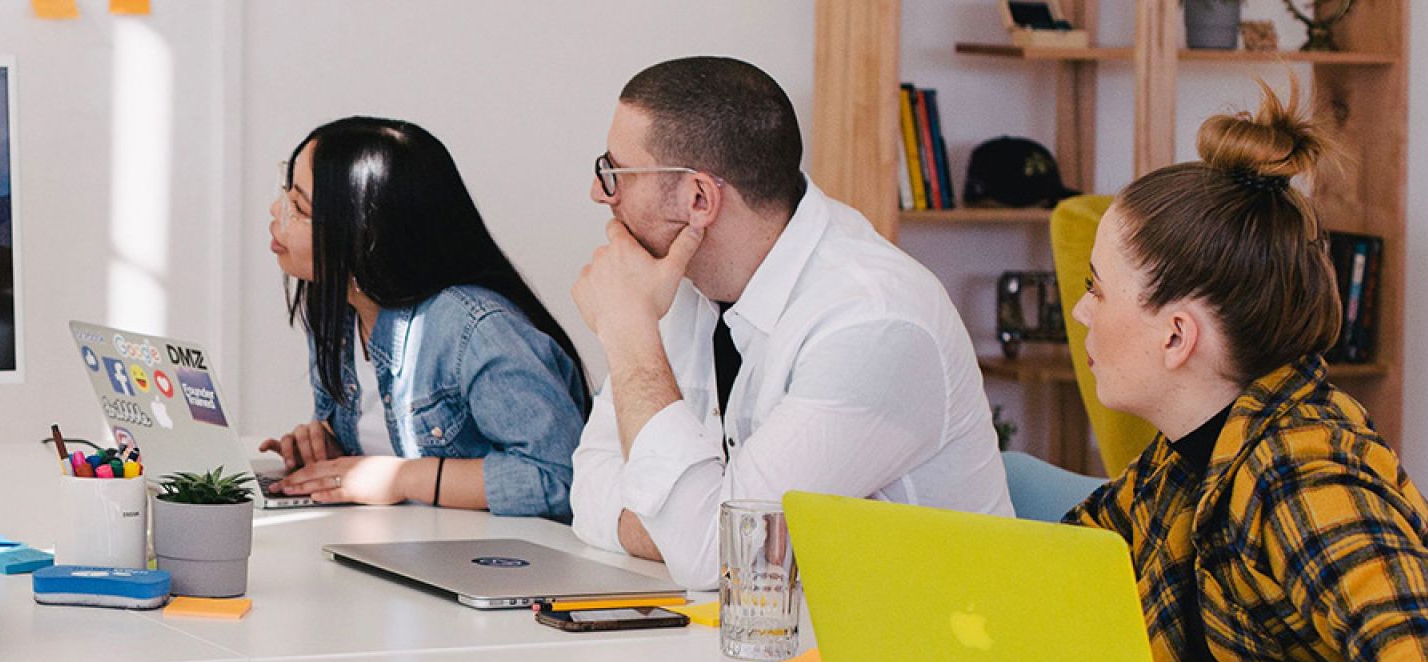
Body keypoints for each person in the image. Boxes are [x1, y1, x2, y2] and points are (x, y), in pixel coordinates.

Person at [1064, 84, 1428, 662]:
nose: (1081, 311)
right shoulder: (1187, 459)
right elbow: (1068, 571)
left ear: (1176, 336)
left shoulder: (1303, 477)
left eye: (1097, 288)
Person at [566, 57, 1011, 589]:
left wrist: (631, 340)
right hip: (774, 630)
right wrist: (688, 533)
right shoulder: (676, 280)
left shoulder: (875, 322)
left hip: (925, 638)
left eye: (615, 173)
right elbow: (588, 490)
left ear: (699, 199)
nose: (600, 194)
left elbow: (721, 558)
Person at [256, 117, 591, 519]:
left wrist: (401, 479)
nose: (276, 211)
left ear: (364, 234)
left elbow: (559, 478)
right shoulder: (337, 311)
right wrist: (331, 449)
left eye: (298, 206)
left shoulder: (474, 328)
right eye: (286, 192)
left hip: (490, 554)